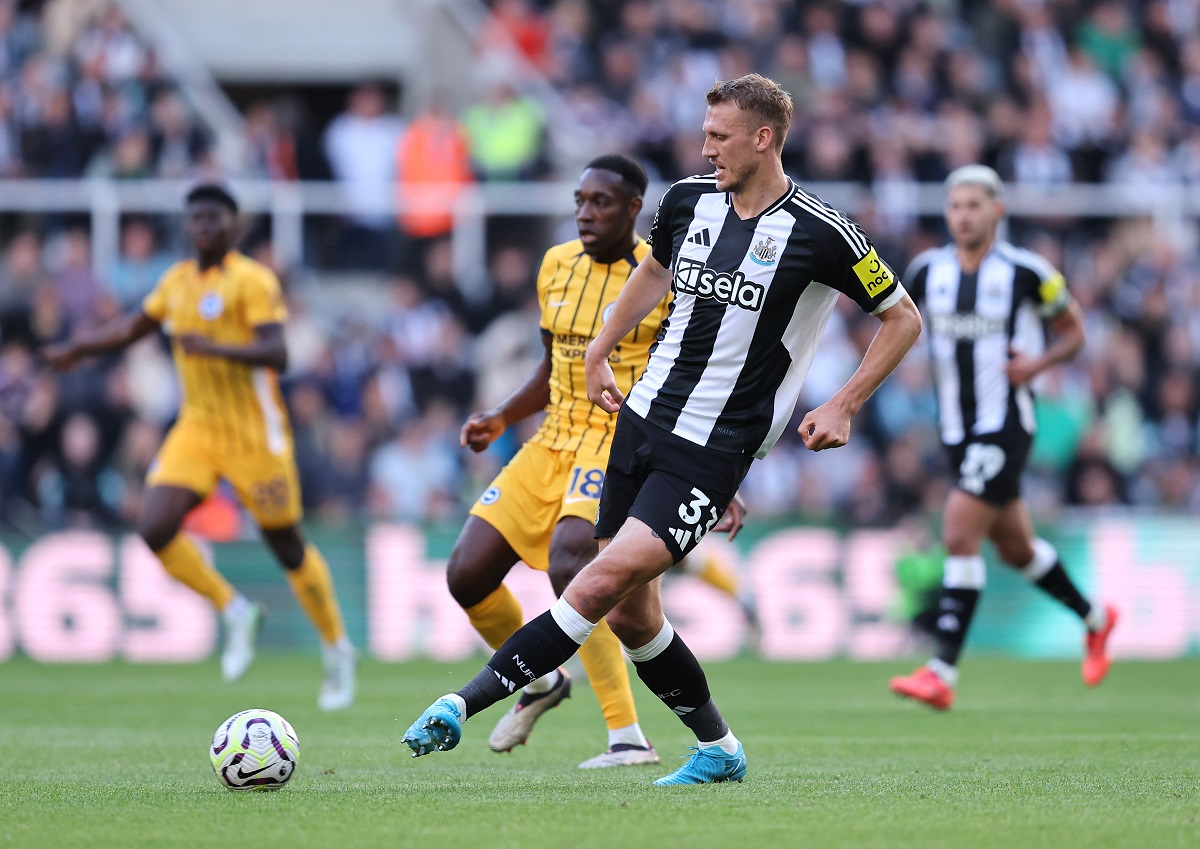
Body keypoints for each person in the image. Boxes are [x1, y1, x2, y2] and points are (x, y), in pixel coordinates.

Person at [402, 73, 922, 785]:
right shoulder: (685, 203)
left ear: (763, 138)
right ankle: (719, 747)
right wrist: (595, 348)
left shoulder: (821, 232)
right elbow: (651, 272)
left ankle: (463, 703)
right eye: (704, 134)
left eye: (719, 136)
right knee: (631, 616)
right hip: (641, 422)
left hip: (715, 446)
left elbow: (903, 318)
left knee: (594, 579)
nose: (705, 148)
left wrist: (845, 403)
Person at [448, 153, 746, 769]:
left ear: (635, 209)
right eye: (580, 201)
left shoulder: (665, 275)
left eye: (601, 202)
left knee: (572, 563)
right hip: (550, 439)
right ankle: (539, 683)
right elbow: (552, 362)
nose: (586, 212)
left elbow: (696, 375)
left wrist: (709, 468)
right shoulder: (555, 265)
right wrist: (503, 415)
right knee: (466, 574)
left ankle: (626, 735)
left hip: (620, 444)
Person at [42, 183, 357, 711]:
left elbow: (277, 352)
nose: (203, 226)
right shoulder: (177, 282)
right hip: (198, 428)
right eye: (195, 218)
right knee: (154, 527)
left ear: (233, 227)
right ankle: (234, 609)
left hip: (255, 436)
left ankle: (337, 649)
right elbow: (132, 328)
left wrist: (212, 345)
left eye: (213, 218)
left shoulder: (252, 280)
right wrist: (78, 348)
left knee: (289, 548)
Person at [888, 165, 1118, 711]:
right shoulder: (926, 271)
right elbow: (898, 322)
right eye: (955, 206)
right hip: (955, 430)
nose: (963, 215)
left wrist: (1037, 364)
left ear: (998, 211)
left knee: (959, 533)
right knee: (1016, 548)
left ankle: (941, 670)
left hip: (1006, 425)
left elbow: (1075, 331)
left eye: (974, 205)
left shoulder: (1027, 272)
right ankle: (1097, 618)